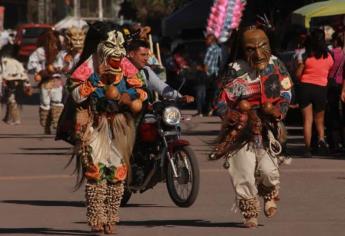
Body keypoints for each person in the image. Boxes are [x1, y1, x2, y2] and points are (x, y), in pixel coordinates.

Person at [62, 21, 148, 234]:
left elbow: (142, 91)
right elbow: (75, 94)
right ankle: (96, 218)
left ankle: (111, 218)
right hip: (94, 123)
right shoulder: (89, 66)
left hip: (120, 125)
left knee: (117, 172)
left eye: (120, 46)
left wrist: (130, 96)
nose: (117, 52)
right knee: (96, 172)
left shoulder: (126, 66)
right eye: (112, 45)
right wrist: (95, 78)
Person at [214, 26, 292, 228]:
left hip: (266, 127)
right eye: (250, 49)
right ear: (242, 49)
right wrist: (229, 114)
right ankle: (249, 211)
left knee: (267, 170)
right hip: (242, 128)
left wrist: (278, 111)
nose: (258, 53)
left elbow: (286, 91)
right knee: (244, 171)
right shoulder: (234, 70)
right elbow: (220, 101)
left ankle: (269, 194)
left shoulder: (276, 64)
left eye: (262, 46)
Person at [295, 29, 334, 157]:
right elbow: (329, 73)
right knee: (320, 120)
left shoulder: (305, 54)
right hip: (321, 89)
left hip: (306, 88)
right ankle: (321, 140)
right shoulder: (329, 56)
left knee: (307, 120)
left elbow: (298, 75)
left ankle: (307, 149)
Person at [126, 39, 194, 103]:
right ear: (131, 54)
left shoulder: (146, 70)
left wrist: (180, 97)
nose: (146, 58)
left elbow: (161, 86)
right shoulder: (120, 70)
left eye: (147, 55)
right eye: (143, 55)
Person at [27, 29, 64, 134]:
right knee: (45, 103)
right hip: (45, 81)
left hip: (56, 80)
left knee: (57, 102)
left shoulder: (59, 52)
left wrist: (60, 68)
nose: (53, 45)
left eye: (55, 43)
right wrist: (39, 71)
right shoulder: (40, 51)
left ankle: (56, 124)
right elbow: (32, 62)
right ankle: (46, 125)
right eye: (50, 43)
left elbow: (64, 64)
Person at [0, 44, 32, 125]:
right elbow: (23, 74)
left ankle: (15, 119)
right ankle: (8, 117)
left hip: (9, 82)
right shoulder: (16, 62)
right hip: (15, 82)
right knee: (10, 99)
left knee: (11, 99)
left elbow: (2, 73)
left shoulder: (3, 61)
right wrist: (27, 84)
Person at [326, 32, 345, 151]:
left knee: (332, 113)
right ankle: (343, 140)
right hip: (343, 84)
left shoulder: (332, 53)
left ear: (336, 41)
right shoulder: (343, 53)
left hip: (332, 84)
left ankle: (333, 142)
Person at [204, 34, 222, 116]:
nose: (205, 41)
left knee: (208, 93)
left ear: (211, 40)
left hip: (209, 74)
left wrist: (205, 73)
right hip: (216, 73)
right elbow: (220, 61)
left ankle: (208, 110)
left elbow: (206, 63)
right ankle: (213, 109)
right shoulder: (219, 48)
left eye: (207, 39)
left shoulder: (210, 49)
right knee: (215, 93)